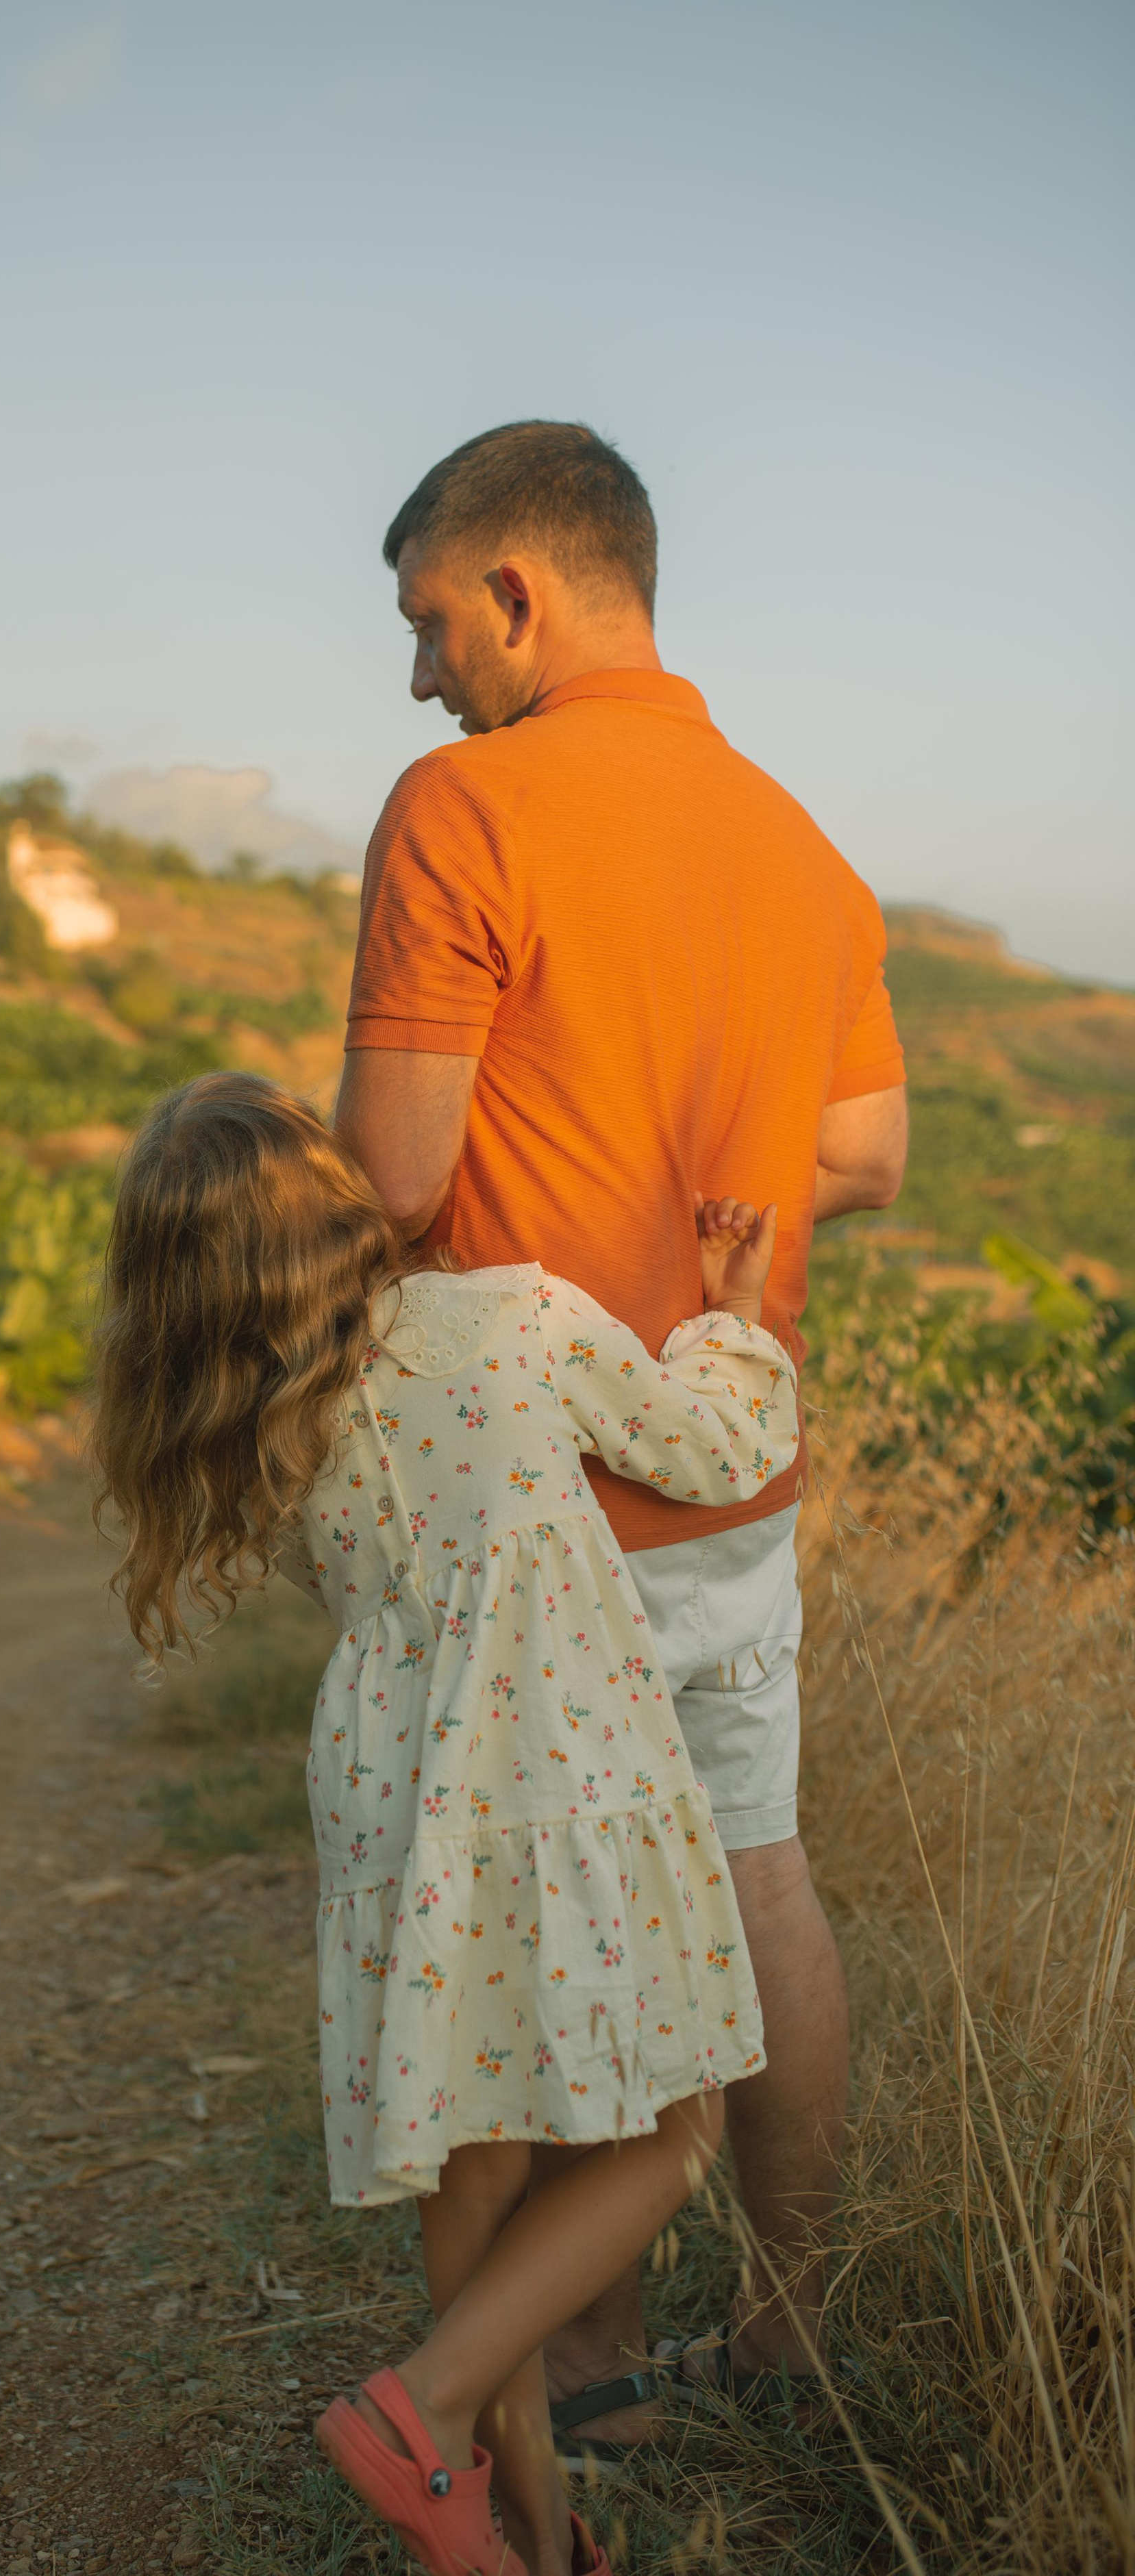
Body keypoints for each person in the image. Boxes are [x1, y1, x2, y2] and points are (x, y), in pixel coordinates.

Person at [336, 421, 909, 2457]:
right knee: (755, 1880)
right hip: (729, 1464)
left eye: (428, 624)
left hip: (539, 1502)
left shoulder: (460, 809)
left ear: (518, 591)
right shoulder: (795, 840)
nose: (419, 678)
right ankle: (785, 2338)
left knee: (545, 1922)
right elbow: (863, 1150)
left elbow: (399, 1177)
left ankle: (560, 2383)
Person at [93, 1074, 801, 2576]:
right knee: (678, 2127)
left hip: (399, 1816)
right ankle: (416, 2410)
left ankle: (524, 2534)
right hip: (557, 1778)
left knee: (475, 2167)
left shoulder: (265, 1428)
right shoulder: (511, 1320)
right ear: (341, 1197)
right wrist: (729, 1317)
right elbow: (711, 1451)